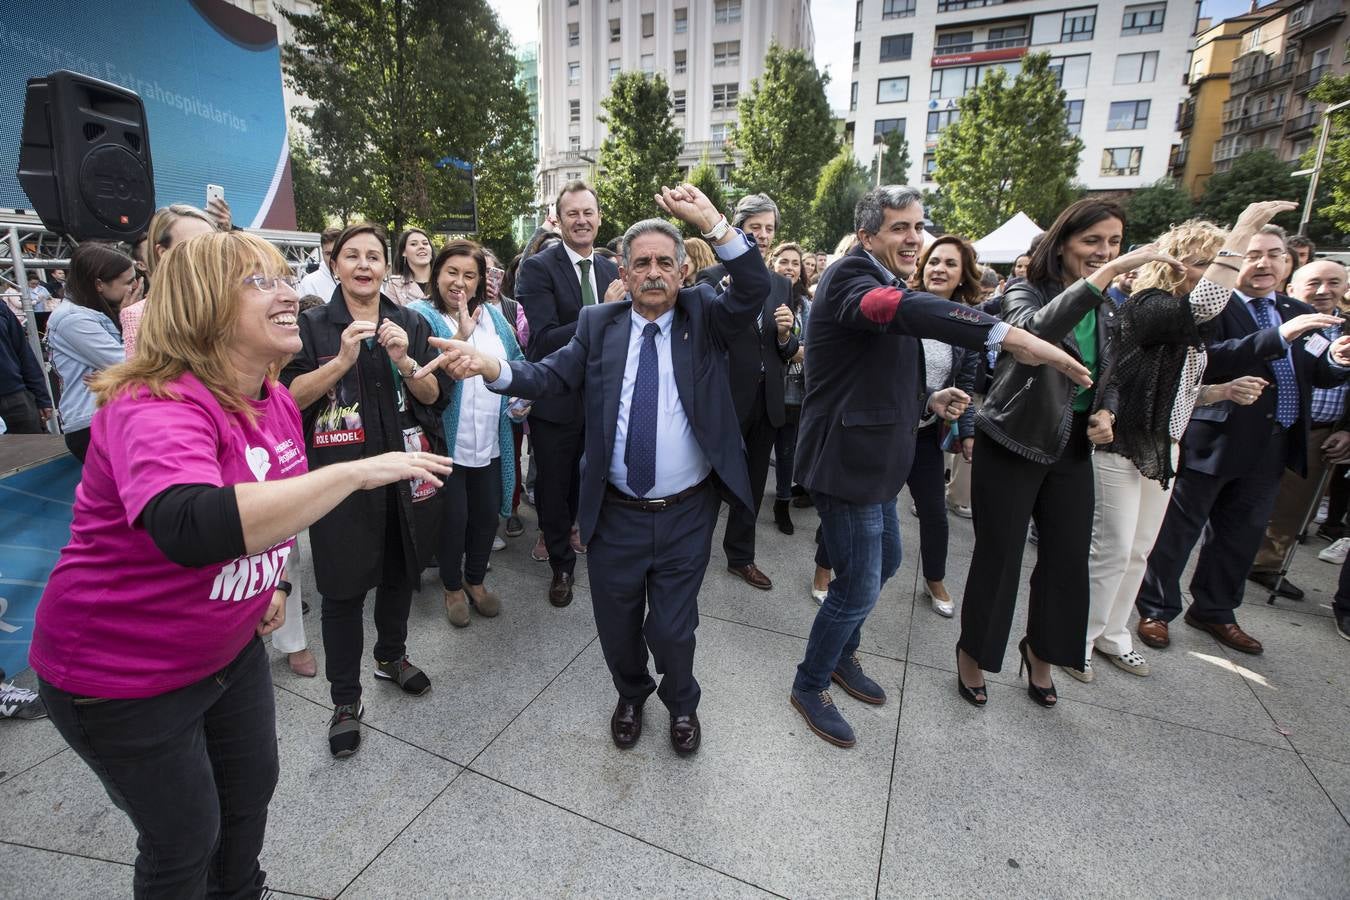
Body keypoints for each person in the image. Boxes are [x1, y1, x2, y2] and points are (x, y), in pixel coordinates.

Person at [29, 230, 451, 897]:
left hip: (228, 655)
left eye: (285, 278)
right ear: (202, 305)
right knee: (185, 842)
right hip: (120, 678)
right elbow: (191, 523)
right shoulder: (157, 401)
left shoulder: (275, 399)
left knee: (247, 808)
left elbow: (273, 490)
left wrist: (278, 578)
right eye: (261, 282)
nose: (289, 293)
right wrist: (359, 473)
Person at [422, 184, 768, 756]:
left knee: (673, 630)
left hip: (685, 513)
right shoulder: (597, 324)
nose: (653, 273)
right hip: (615, 513)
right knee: (617, 623)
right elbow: (550, 376)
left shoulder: (705, 315)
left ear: (683, 271)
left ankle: (682, 704)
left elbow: (753, 286)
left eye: (664, 263)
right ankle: (630, 693)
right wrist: (494, 367)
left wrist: (713, 221)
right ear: (623, 274)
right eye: (641, 264)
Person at [788, 186, 1091, 747]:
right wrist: (1007, 334)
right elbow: (895, 313)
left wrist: (927, 401)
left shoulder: (883, 275)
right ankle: (809, 684)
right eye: (900, 227)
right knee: (856, 586)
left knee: (885, 563)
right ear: (867, 235)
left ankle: (840, 656)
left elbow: (872, 369)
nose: (914, 238)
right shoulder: (851, 277)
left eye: (918, 226)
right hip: (847, 463)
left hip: (879, 459)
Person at [958, 199, 1178, 711]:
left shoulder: (1108, 308)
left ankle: (1042, 652)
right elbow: (1033, 334)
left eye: (1115, 244)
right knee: (1001, 557)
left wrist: (1107, 412)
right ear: (1062, 245)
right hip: (1015, 438)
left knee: (1065, 560)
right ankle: (974, 654)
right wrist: (1107, 277)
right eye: (1093, 242)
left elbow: (1114, 374)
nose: (1105, 252)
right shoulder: (1024, 289)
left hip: (1075, 446)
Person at [1078, 210, 1278, 683]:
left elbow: (1173, 391)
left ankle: (1113, 634)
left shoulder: (1186, 324)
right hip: (1121, 444)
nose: (1215, 271)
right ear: (1173, 263)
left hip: (1165, 446)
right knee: (1111, 549)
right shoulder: (1148, 305)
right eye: (1203, 261)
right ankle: (1077, 639)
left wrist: (1221, 392)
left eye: (1218, 261)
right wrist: (1244, 230)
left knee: (1139, 551)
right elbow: (1207, 302)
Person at [1135, 225, 1350, 655]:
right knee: (1178, 532)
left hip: (1272, 444)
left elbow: (1316, 373)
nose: (1263, 263)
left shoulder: (1293, 307)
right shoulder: (1210, 301)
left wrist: (1336, 357)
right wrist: (1279, 337)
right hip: (1213, 437)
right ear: (1232, 259)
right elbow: (1206, 361)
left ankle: (1214, 610)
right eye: (1253, 254)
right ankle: (1155, 608)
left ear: (1288, 263)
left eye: (1274, 254)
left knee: (1241, 535)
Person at [281, 223, 453, 757]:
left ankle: (391, 657)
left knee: (402, 573)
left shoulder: (410, 321)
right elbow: (289, 399)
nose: (363, 265)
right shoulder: (311, 326)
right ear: (334, 265)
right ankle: (344, 699)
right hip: (338, 485)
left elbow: (433, 393)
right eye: (351, 256)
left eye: (373, 256)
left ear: (386, 266)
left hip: (402, 477)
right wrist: (339, 362)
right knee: (341, 591)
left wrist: (404, 360)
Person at [515, 181, 619, 607]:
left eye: (588, 213)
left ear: (598, 218)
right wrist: (600, 313)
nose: (582, 220)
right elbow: (541, 341)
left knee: (590, 479)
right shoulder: (538, 268)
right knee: (555, 488)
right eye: (572, 213)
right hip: (556, 402)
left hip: (602, 400)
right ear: (558, 219)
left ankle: (585, 537)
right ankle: (561, 565)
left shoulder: (614, 270)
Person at [410, 241, 522, 627]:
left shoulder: (493, 317)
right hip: (446, 444)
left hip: (489, 440)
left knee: (486, 515)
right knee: (453, 518)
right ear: (437, 274)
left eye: (469, 275)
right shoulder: (419, 316)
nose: (460, 282)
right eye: (452, 272)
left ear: (479, 282)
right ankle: (452, 586)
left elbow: (518, 363)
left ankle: (476, 581)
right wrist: (459, 333)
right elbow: (416, 378)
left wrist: (520, 399)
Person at [696, 193, 798, 590]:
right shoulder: (710, 279)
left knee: (753, 486)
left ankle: (741, 556)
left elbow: (785, 351)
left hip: (767, 400)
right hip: (724, 399)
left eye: (770, 228)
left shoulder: (781, 285)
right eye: (755, 227)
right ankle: (692, 552)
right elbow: (706, 338)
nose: (763, 235)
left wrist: (788, 335)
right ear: (738, 229)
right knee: (707, 482)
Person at [1247, 258, 1350, 598]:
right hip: (1267, 421)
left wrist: (1347, 429)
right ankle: (1236, 555)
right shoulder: (1277, 317)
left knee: (1296, 503)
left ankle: (1267, 564)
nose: (1324, 291)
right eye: (1315, 283)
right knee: (1246, 498)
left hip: (1322, 428)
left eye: (1334, 282)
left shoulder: (1346, 330)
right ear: (1291, 288)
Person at [910, 234, 983, 617]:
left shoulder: (965, 325)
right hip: (887, 431)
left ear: (962, 275)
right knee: (860, 502)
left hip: (925, 435)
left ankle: (934, 578)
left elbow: (966, 388)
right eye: (933, 261)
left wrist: (967, 431)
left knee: (935, 513)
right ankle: (826, 569)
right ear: (922, 267)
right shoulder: (904, 308)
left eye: (950, 264)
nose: (940, 269)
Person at [46, 244, 137, 461]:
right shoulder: (72, 319)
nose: (135, 286)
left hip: (109, 417)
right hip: (92, 423)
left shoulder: (95, 311)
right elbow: (128, 362)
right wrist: (129, 319)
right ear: (99, 284)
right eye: (127, 282)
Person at [121, 204, 217, 357]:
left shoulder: (233, 302)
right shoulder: (139, 315)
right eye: (194, 246)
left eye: (213, 244)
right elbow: (142, 377)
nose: (207, 253)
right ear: (163, 253)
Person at [768, 241, 811, 535]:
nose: (790, 268)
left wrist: (791, 347)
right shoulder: (764, 297)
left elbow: (812, 349)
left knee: (786, 450)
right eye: (784, 261)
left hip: (795, 389)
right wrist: (792, 348)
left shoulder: (807, 306)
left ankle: (782, 501)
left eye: (795, 263)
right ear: (773, 264)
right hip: (764, 385)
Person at [0, 287, 52, 433]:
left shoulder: (1, 309)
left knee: (38, 452)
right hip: (14, 395)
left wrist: (41, 397)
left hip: (14, 398)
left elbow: (23, 352)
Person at [387, 228, 434, 305]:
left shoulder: (444, 280)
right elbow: (391, 315)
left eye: (425, 243)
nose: (421, 247)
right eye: (414, 244)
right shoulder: (395, 285)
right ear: (403, 252)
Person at [299, 226, 342, 299]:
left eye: (337, 252)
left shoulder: (356, 279)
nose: (333, 258)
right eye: (328, 254)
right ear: (322, 254)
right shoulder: (309, 283)